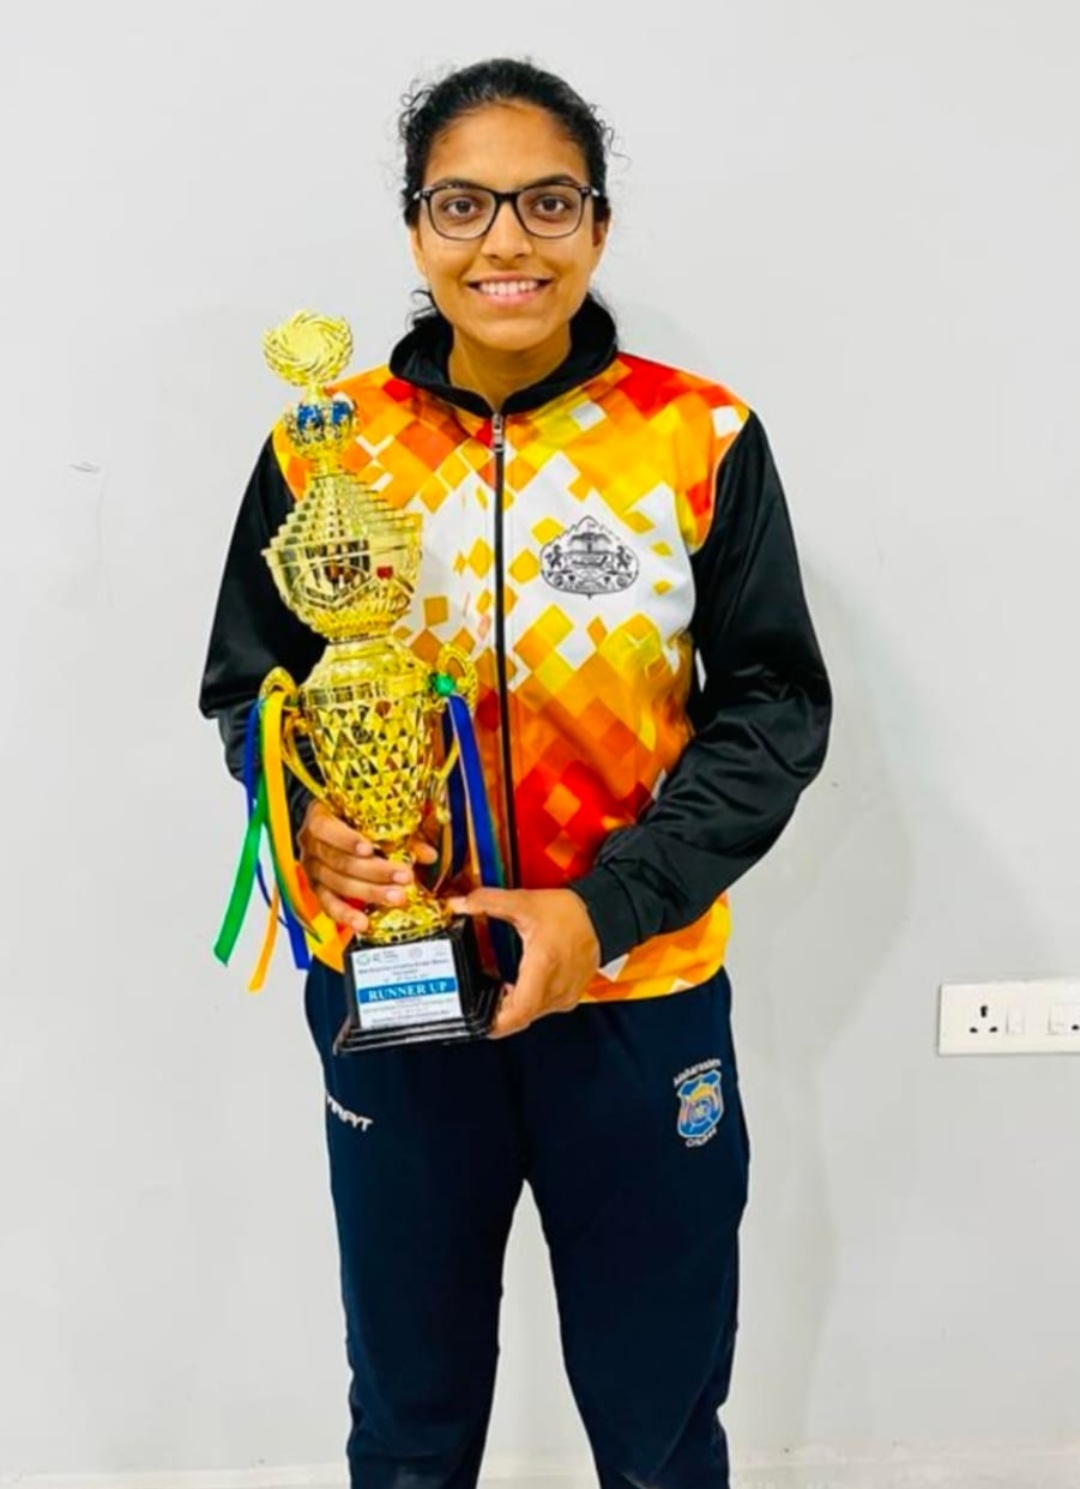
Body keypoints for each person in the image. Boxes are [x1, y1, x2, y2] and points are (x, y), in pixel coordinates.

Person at [199, 56, 831, 1489]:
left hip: (637, 993)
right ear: (415, 226)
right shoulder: (322, 445)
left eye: (548, 202)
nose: (507, 241)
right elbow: (250, 690)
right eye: (464, 203)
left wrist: (605, 909)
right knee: (410, 1426)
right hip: (395, 987)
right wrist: (306, 816)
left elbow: (774, 709)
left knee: (660, 1430)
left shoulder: (700, 438)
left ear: (598, 224)